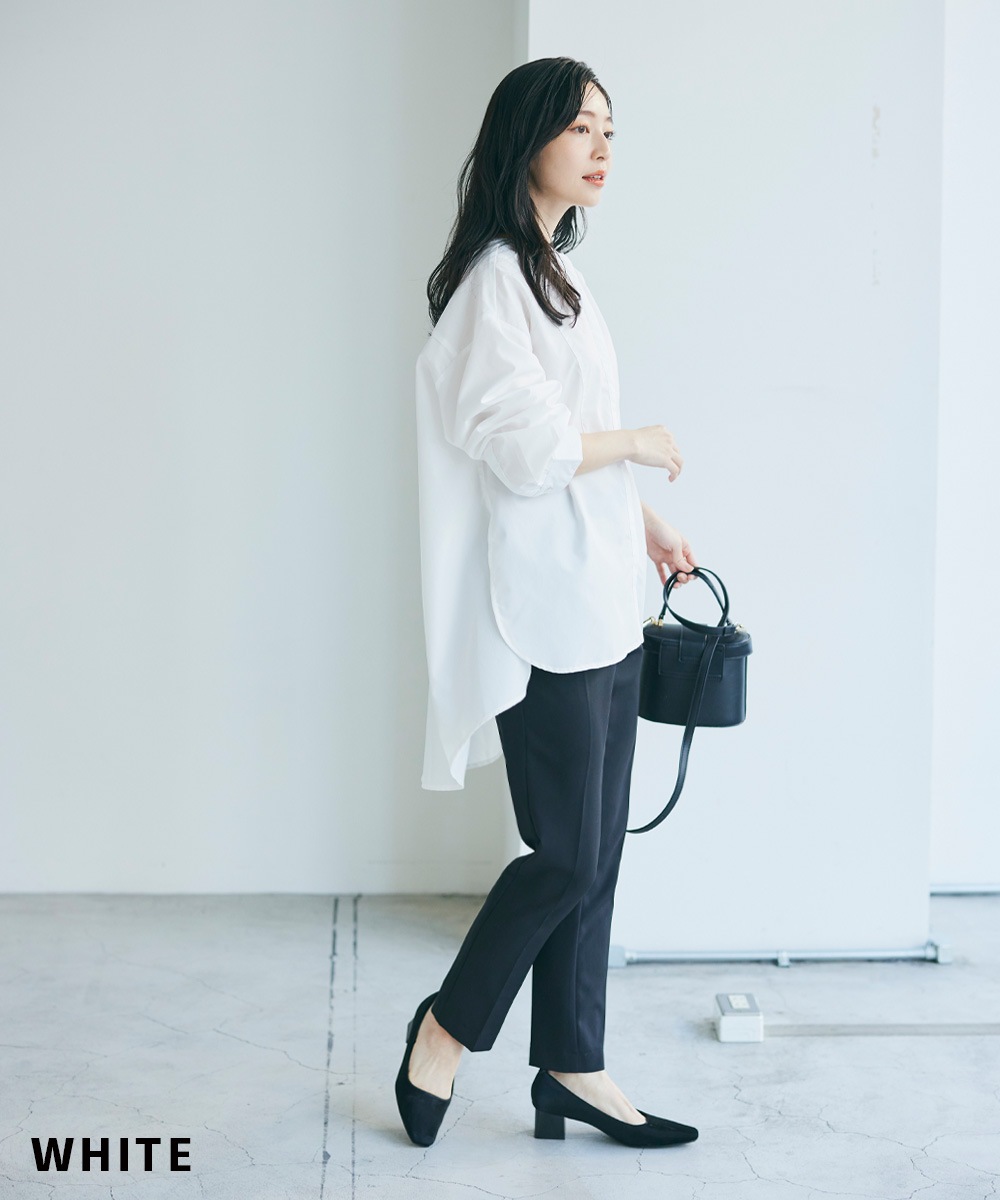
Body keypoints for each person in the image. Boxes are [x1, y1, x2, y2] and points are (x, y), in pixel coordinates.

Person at [398, 57, 701, 1149]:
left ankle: (573, 1065)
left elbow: (568, 438)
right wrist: (636, 444)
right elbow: (527, 449)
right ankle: (447, 1027)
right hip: (544, 612)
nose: (602, 148)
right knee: (565, 853)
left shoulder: (554, 274)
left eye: (609, 128)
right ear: (525, 138)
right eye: (581, 128)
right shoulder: (493, 280)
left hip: (603, 592)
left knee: (597, 855)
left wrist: (643, 520)